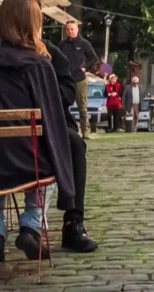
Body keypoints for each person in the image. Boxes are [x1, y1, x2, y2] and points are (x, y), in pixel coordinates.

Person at [0, 0, 79, 263]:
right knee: (49, 156)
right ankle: (31, 226)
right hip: (29, 163)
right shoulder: (38, 65)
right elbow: (53, 119)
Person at [42, 40, 100, 253]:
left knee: (75, 144)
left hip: (49, 126)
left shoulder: (48, 52)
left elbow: (67, 93)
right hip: (8, 133)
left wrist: (45, 88)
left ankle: (73, 221)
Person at [59, 21, 99, 139]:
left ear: (77, 30)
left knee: (82, 106)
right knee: (63, 105)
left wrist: (85, 67)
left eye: (72, 29)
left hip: (80, 79)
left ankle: (85, 131)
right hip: (66, 79)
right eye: (68, 30)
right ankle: (67, 130)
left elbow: (93, 57)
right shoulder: (62, 44)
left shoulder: (83, 43)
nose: (70, 32)